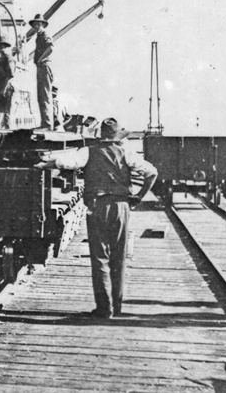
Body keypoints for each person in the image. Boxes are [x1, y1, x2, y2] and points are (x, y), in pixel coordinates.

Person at [36, 118, 158, 318]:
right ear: (117, 136)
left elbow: (62, 162)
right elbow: (152, 173)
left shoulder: (88, 152)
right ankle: (117, 308)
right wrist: (139, 196)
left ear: (101, 135)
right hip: (121, 206)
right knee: (119, 257)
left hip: (97, 206)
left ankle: (104, 308)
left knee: (100, 257)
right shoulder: (127, 153)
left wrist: (42, 165)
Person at [30, 13, 54, 130]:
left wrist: (40, 59)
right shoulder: (39, 36)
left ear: (43, 25)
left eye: (38, 24)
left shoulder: (44, 35)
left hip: (44, 66)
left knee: (44, 95)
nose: (36, 26)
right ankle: (45, 123)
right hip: (41, 67)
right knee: (42, 95)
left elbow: (51, 48)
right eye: (35, 24)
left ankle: (47, 124)